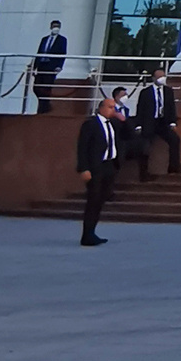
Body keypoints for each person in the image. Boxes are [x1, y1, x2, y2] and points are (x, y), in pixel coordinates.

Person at [74, 93, 123, 246]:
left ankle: (92, 232)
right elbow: (82, 147)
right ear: (101, 108)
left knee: (101, 200)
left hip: (109, 165)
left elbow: (128, 136)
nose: (112, 110)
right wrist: (84, 168)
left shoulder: (113, 124)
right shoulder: (91, 124)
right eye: (110, 107)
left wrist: (122, 118)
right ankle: (87, 234)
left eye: (114, 108)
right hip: (95, 167)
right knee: (93, 200)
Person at [134, 67, 181, 179]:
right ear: (154, 78)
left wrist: (172, 122)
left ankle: (174, 168)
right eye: (159, 76)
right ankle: (144, 173)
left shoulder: (168, 91)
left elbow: (171, 107)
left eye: (163, 76)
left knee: (175, 140)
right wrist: (139, 125)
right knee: (145, 145)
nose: (162, 78)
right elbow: (140, 109)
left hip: (163, 122)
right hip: (149, 122)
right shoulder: (145, 92)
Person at [32, 20, 68, 113]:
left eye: (58, 26)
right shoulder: (44, 39)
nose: (56, 28)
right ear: (51, 27)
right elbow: (39, 52)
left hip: (51, 67)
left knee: (47, 87)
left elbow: (63, 53)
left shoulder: (62, 40)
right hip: (41, 65)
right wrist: (34, 67)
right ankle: (41, 104)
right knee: (36, 87)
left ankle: (44, 108)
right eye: (54, 26)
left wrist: (59, 66)